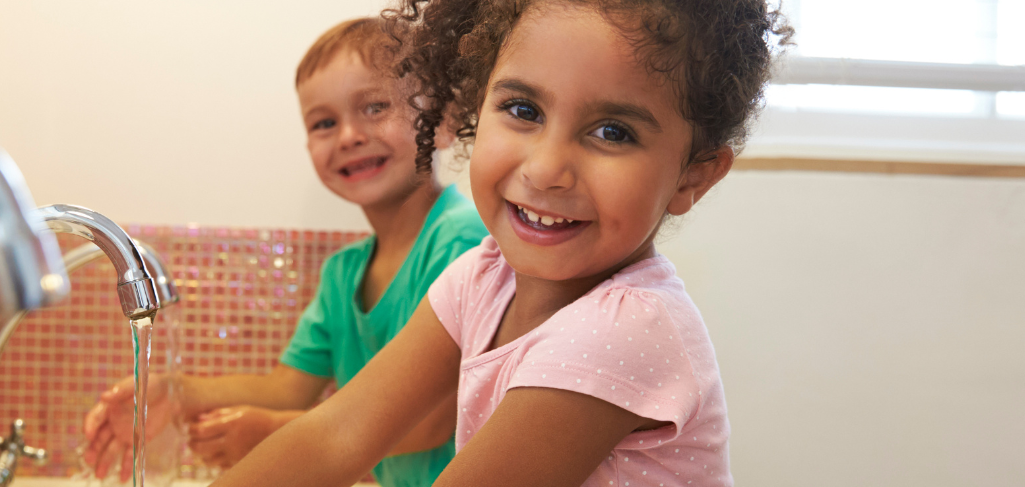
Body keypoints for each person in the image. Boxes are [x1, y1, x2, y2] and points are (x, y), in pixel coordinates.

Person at [207, 0, 791, 486]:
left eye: (613, 132)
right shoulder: (482, 277)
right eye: (522, 109)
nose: (545, 169)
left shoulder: (625, 329)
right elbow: (337, 434)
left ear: (693, 175)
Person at [79, 16, 490, 487]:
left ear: (445, 122)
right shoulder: (343, 273)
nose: (348, 135)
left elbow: (431, 421)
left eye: (375, 107)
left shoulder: (463, 241)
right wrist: (176, 394)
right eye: (324, 123)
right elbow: (287, 387)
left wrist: (271, 434)